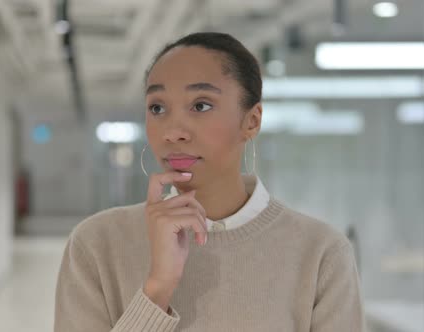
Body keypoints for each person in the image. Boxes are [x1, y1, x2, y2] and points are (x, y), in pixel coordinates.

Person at [54, 32, 364, 331]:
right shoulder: (96, 244)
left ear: (251, 121)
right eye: (157, 108)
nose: (173, 131)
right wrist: (157, 289)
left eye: (201, 105)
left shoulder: (322, 254)